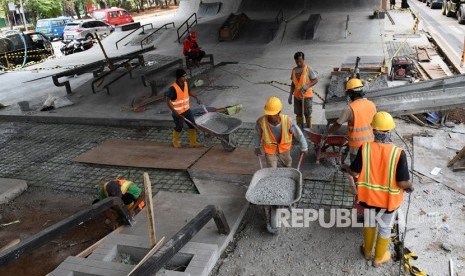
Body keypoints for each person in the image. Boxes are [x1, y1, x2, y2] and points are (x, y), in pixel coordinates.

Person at [341, 111, 414, 267]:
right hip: (387, 202)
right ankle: (378, 258)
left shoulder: (365, 148)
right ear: (390, 131)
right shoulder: (398, 153)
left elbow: (354, 172)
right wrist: (410, 187)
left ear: (373, 130)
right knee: (385, 228)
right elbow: (402, 183)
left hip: (368, 199)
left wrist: (345, 167)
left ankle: (367, 252)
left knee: (369, 224)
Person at [325, 78, 377, 163]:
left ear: (350, 93)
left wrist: (327, 133)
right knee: (367, 167)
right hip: (370, 143)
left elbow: (338, 124)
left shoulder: (350, 108)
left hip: (356, 146)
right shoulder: (371, 104)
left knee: (356, 169)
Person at [254, 96, 308, 168]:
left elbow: (299, 134)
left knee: (287, 165)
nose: (272, 117)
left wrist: (304, 147)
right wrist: (256, 147)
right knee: (271, 169)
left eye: (274, 114)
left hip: (284, 149)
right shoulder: (261, 122)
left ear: (279, 112)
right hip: (270, 150)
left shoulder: (288, 121)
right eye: (270, 114)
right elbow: (257, 134)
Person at [165, 68, 202, 148]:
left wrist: (196, 98)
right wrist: (173, 111)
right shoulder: (173, 88)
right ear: (178, 78)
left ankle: (193, 143)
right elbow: (168, 100)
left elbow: (188, 92)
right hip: (177, 112)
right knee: (179, 127)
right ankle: (175, 142)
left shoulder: (185, 83)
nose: (185, 78)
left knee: (192, 125)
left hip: (187, 110)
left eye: (185, 76)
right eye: (183, 76)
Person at [288, 51, 318, 129]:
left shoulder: (308, 69)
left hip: (307, 96)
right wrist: (290, 95)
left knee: (307, 113)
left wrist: (307, 86)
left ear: (303, 59)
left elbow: (315, 80)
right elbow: (293, 83)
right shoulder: (294, 70)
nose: (298, 63)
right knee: (298, 114)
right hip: (297, 96)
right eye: (297, 61)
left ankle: (309, 129)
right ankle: (300, 129)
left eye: (300, 61)